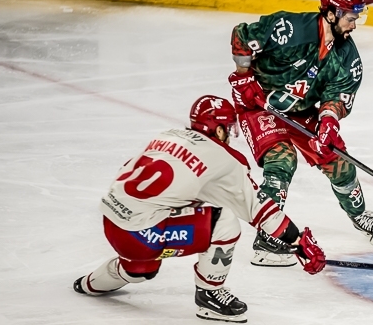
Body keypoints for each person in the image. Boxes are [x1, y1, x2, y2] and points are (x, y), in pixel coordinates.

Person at [72, 95, 326, 323]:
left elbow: (130, 171)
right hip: (143, 237)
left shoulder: (167, 135)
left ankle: (89, 284)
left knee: (140, 270)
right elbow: (260, 210)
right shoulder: (225, 160)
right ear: (218, 129)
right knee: (223, 220)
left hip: (112, 222)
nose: (230, 135)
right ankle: (209, 294)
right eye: (228, 128)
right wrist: (298, 242)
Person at [228, 0, 373, 266]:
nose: (354, 25)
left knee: (337, 159)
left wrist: (329, 122)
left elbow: (337, 95)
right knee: (282, 160)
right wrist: (243, 76)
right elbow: (242, 35)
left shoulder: (347, 57)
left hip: (301, 111)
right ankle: (268, 239)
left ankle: (359, 215)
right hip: (259, 104)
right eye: (351, 18)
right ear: (331, 14)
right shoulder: (289, 30)